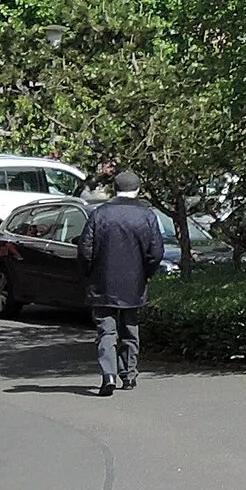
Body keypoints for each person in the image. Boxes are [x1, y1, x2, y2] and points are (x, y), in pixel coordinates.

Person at [75, 168, 164, 395]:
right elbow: (156, 252)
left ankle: (109, 375)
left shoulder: (100, 214)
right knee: (130, 328)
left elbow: (85, 250)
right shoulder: (146, 215)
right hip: (133, 283)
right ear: (138, 189)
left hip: (102, 283)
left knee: (106, 331)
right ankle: (129, 375)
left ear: (115, 188)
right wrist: (146, 272)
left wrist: (89, 274)